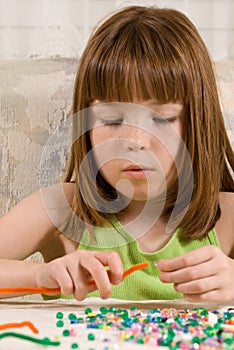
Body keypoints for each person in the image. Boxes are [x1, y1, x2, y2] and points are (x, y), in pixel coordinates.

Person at [0, 5, 233, 303]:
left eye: (162, 119)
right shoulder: (61, 209)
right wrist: (39, 277)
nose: (136, 141)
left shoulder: (227, 216)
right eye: (111, 119)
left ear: (199, 125)